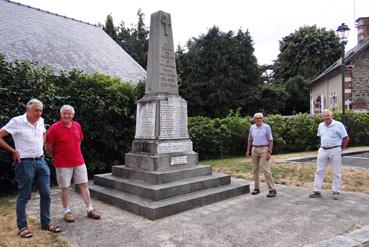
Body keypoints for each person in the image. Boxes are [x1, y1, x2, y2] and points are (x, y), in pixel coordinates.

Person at [0, 99, 61, 238]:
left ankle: (46, 224)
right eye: (36, 111)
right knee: (25, 195)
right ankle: (22, 227)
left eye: (41, 111)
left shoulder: (40, 120)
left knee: (46, 194)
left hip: (41, 161)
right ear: (28, 110)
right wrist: (13, 151)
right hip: (25, 163)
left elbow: (44, 133)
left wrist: (42, 146)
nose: (39, 113)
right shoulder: (16, 121)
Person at [45, 104, 101, 222]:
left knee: (84, 184)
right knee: (65, 187)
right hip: (62, 163)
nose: (67, 115)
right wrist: (55, 156)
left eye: (69, 113)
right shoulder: (54, 128)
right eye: (64, 113)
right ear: (61, 114)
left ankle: (90, 209)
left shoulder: (77, 125)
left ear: (73, 115)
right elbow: (48, 146)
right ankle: (67, 211)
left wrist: (75, 153)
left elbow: (78, 142)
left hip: (78, 161)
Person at [309, 109, 349, 200]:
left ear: (332, 116)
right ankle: (317, 191)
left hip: (335, 149)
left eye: (328, 115)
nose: (326, 117)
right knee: (319, 170)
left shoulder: (338, 125)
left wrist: (340, 149)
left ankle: (336, 191)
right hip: (323, 149)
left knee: (336, 171)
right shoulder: (320, 125)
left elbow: (346, 138)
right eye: (324, 116)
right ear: (322, 117)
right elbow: (321, 136)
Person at [246, 113, 277, 198]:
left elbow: (270, 140)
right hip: (254, 149)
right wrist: (248, 150)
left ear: (262, 119)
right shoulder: (252, 127)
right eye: (257, 118)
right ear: (254, 119)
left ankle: (272, 190)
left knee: (266, 170)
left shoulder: (266, 127)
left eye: (260, 118)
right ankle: (256, 188)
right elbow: (250, 140)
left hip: (264, 149)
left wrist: (269, 152)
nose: (259, 120)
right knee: (255, 170)